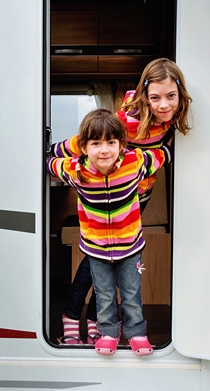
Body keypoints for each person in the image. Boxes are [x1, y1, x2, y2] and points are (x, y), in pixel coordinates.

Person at [52, 57, 192, 346]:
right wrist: (51, 150)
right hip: (110, 191)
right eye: (155, 98)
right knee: (97, 258)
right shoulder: (130, 119)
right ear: (145, 95)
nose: (164, 105)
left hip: (136, 197)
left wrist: (168, 150)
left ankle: (95, 320)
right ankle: (72, 314)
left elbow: (159, 154)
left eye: (171, 97)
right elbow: (91, 140)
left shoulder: (169, 121)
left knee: (111, 256)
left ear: (180, 94)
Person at [47, 108, 173, 356]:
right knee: (104, 294)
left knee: (131, 292)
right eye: (95, 143)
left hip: (131, 248)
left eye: (111, 142)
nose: (104, 149)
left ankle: (136, 333)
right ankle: (107, 334)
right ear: (83, 147)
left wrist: (172, 144)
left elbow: (161, 156)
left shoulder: (134, 163)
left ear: (121, 145)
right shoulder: (77, 170)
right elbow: (52, 164)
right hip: (96, 249)